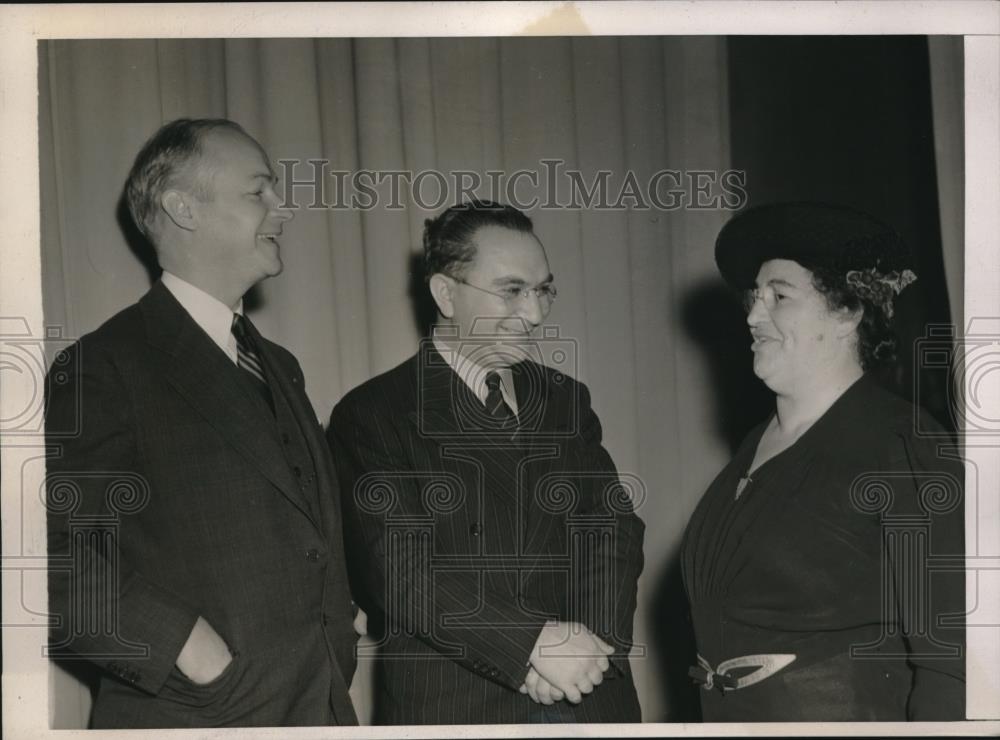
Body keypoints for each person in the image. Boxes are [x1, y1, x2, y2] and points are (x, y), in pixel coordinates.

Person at [45, 118, 358, 728]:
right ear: (182, 208)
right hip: (199, 717)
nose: (282, 209)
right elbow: (46, 560)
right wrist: (185, 645)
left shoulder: (280, 367)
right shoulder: (103, 365)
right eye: (258, 191)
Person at [327, 200, 645, 723]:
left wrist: (585, 649)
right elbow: (397, 570)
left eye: (542, 290)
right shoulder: (373, 413)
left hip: (589, 696)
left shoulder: (566, 399)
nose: (537, 313)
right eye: (512, 291)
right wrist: (530, 647)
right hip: (460, 705)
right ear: (445, 293)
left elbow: (612, 529)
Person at [681, 202, 965, 721]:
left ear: (847, 312)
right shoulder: (754, 443)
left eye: (779, 296)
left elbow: (951, 660)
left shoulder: (903, 445)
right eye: (753, 296)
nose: (751, 315)